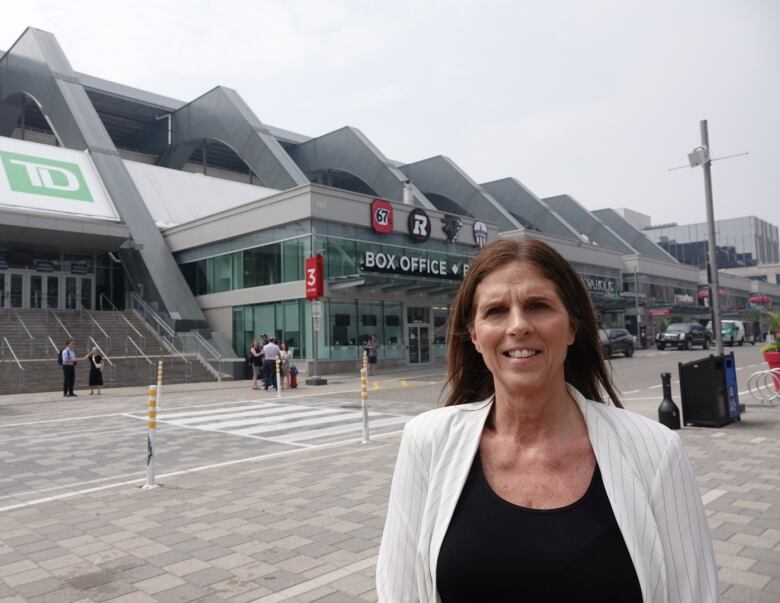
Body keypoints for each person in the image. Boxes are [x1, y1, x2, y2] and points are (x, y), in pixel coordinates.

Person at [376, 238, 718, 603]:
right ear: (475, 335)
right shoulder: (427, 442)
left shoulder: (655, 452)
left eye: (538, 306)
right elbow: (402, 592)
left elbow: (692, 593)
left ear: (572, 327)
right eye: (495, 311)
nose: (518, 325)